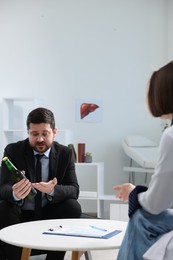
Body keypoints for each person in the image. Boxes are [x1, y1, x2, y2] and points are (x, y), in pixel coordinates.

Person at [0, 107, 82, 260]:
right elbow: (1, 187)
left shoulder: (65, 153)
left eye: (45, 134)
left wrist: (53, 190)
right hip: (20, 214)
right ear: (28, 132)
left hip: (50, 213)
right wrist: (14, 193)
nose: (40, 139)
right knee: (2, 207)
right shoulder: (13, 150)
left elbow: (74, 190)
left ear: (54, 132)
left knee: (72, 206)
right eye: (34, 134)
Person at [114, 61, 173, 260]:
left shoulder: (171, 136)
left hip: (152, 204)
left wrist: (134, 192)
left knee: (141, 217)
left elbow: (155, 204)